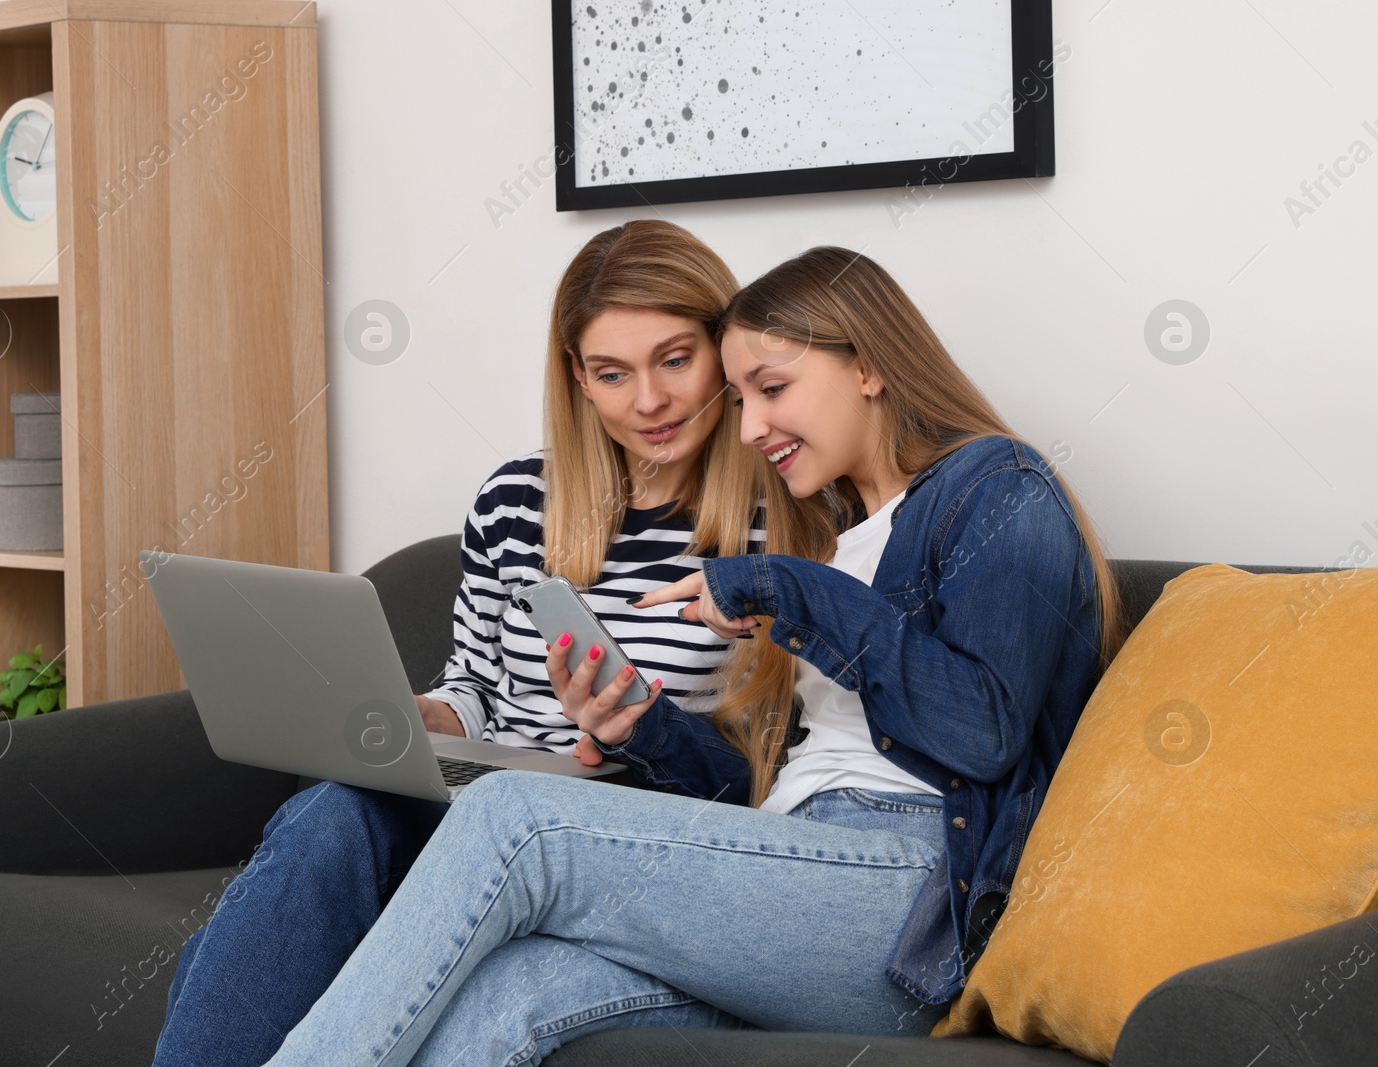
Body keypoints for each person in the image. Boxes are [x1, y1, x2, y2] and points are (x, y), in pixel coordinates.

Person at [259, 246, 1130, 1066]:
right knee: (507, 990)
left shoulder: (999, 487)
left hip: (910, 904)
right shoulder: (844, 530)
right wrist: (647, 724)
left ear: (869, 365)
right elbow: (760, 795)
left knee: (509, 817)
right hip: (795, 869)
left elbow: (983, 730)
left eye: (772, 388)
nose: (750, 427)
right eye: (742, 397)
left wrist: (788, 590)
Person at [150, 219, 777, 1067]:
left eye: (675, 360)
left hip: (627, 826)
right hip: (485, 795)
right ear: (577, 380)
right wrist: (431, 717)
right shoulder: (518, 499)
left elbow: (765, 767)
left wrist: (639, 725)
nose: (649, 401)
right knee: (336, 812)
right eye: (612, 372)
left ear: (724, 352)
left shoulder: (782, 518)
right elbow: (478, 684)